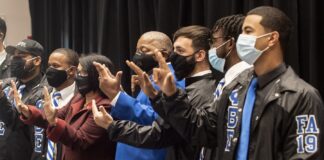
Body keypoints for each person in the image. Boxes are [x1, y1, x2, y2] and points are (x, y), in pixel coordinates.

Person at [142, 6, 324, 160]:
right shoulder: (235, 88)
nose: (240, 39)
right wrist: (172, 95)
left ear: (272, 38)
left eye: (248, 31)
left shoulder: (301, 96)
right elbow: (203, 131)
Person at [92, 25, 220, 160]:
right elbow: (167, 120)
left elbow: (161, 130)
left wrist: (113, 121)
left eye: (180, 51)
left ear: (199, 55)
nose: (174, 55)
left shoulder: (174, 80)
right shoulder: (163, 78)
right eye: (174, 50)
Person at [95, 31, 185, 160]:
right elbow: (142, 110)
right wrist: (120, 93)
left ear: (163, 55)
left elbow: (159, 120)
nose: (138, 54)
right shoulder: (151, 76)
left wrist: (116, 96)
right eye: (137, 49)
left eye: (144, 50)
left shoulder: (171, 79)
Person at [18, 54, 116, 160]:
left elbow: (81, 140)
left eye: (83, 73)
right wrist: (29, 112)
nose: (77, 76)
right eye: (78, 72)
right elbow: (56, 116)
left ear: (97, 75)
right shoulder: (78, 98)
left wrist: (54, 122)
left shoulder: (104, 106)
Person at [0, 39, 45, 160]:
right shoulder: (6, 85)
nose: (15, 59)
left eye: (21, 56)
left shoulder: (44, 92)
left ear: (36, 61)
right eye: (14, 55)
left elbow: (14, 121)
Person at [31, 48, 79, 160]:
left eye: (56, 66)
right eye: (49, 65)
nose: (50, 70)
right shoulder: (38, 96)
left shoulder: (81, 99)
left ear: (71, 70)